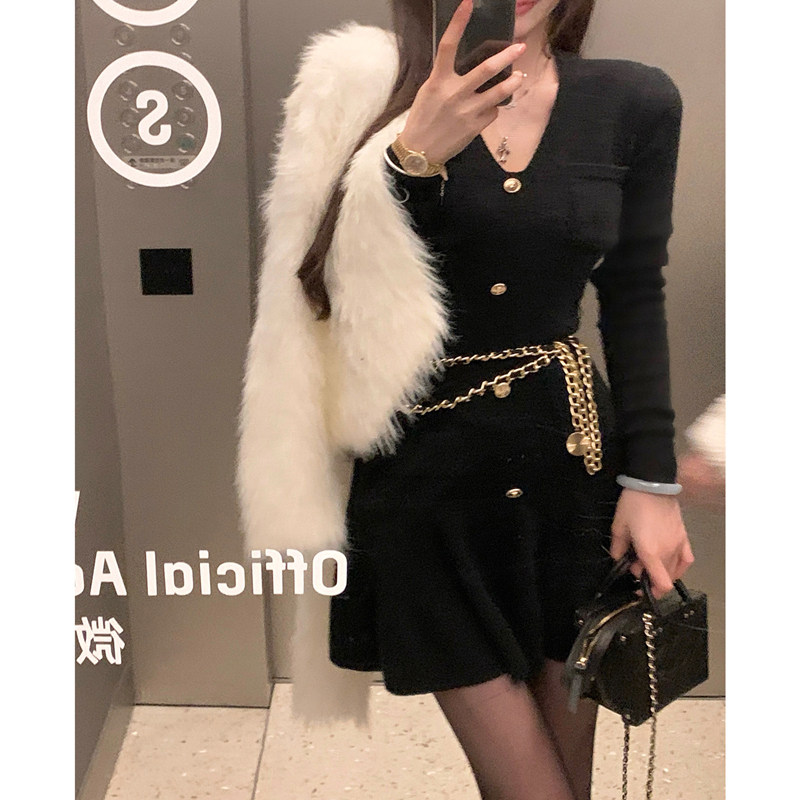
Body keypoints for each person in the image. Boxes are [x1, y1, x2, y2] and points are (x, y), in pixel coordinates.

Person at [236, 1, 695, 798]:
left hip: (571, 467)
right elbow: (312, 295)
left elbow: (633, 296)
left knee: (565, 775)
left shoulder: (635, 100)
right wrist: (408, 163)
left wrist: (652, 482)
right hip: (424, 478)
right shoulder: (359, 87)